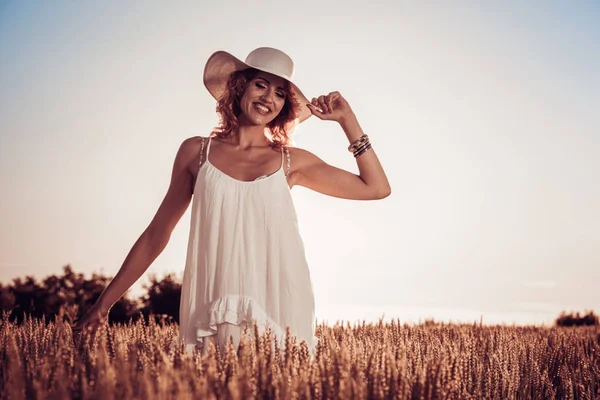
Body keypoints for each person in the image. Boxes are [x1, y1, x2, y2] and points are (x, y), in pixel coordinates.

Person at [71, 47, 391, 357]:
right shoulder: (195, 153)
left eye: (280, 93)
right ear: (240, 87)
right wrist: (103, 305)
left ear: (284, 107)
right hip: (213, 302)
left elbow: (376, 188)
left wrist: (347, 120)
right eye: (261, 85)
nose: (268, 98)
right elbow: (157, 234)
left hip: (280, 303)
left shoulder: (292, 162)